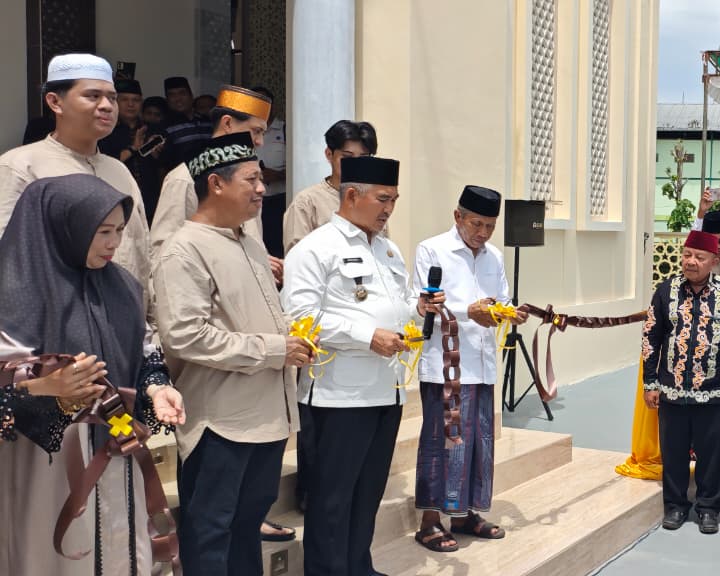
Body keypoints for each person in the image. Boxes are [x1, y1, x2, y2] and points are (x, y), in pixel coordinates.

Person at [0, 174, 184, 575]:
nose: (114, 243)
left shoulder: (119, 286)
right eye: (102, 231)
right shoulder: (12, 291)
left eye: (119, 230)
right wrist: (43, 390)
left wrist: (155, 388)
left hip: (116, 446)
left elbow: (142, 353)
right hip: (42, 465)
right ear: (65, 227)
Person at [153, 132, 313, 576]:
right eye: (252, 179)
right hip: (220, 422)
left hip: (268, 417)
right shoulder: (183, 250)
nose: (263, 188)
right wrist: (273, 350)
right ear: (216, 184)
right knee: (211, 531)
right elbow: (185, 336)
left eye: (261, 179)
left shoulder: (248, 241)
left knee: (246, 529)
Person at [282, 156, 437, 575]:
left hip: (386, 391)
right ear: (351, 195)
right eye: (383, 199)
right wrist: (366, 336)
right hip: (337, 396)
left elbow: (399, 306)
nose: (389, 209)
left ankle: (358, 567)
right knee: (332, 500)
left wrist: (417, 309)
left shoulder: (387, 248)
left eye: (394, 200)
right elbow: (300, 317)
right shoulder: (316, 249)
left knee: (367, 495)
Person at [412, 186, 529, 552]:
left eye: (490, 225)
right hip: (445, 364)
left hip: (482, 362)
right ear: (457, 216)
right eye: (476, 223)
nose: (482, 233)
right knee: (440, 441)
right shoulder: (432, 249)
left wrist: (511, 313)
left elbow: (502, 299)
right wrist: (469, 312)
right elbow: (425, 303)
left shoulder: (494, 256)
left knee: (478, 443)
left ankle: (464, 516)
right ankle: (430, 522)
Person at [0, 54, 151, 292]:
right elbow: (10, 260)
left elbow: (141, 250)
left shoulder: (119, 170)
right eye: (93, 96)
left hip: (129, 321)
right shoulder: (21, 166)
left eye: (112, 98)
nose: (107, 105)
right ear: (55, 102)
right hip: (60, 323)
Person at [642, 229, 720, 535]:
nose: (691, 261)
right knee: (673, 452)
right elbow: (651, 337)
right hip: (671, 390)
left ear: (714, 261)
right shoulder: (665, 290)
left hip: (713, 391)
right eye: (687, 254)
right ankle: (675, 506)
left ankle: (708, 508)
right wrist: (650, 382)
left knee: (711, 454)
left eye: (699, 257)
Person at [151, 85, 271, 262]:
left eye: (263, 133)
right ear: (228, 123)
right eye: (256, 131)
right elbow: (163, 252)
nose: (260, 142)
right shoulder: (185, 178)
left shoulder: (253, 179)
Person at [282, 120, 379, 254]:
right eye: (347, 157)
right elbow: (297, 260)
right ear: (329, 154)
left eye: (363, 158)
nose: (356, 164)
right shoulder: (307, 202)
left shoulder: (375, 200)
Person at [100, 78, 165, 224]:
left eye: (136, 100)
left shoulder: (153, 130)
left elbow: (166, 166)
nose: (131, 104)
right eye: (125, 100)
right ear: (115, 102)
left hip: (150, 201)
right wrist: (133, 149)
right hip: (117, 199)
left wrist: (157, 155)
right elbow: (105, 165)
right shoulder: (105, 131)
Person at [253, 86, 286, 258]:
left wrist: (279, 175)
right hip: (251, 200)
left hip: (278, 201)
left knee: (277, 249)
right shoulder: (244, 132)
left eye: (265, 102)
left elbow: (299, 166)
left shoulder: (285, 129)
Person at [160, 77, 210, 170]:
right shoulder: (163, 127)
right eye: (172, 95)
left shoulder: (207, 122)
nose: (178, 99)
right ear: (167, 100)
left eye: (182, 93)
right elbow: (163, 165)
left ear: (191, 96)